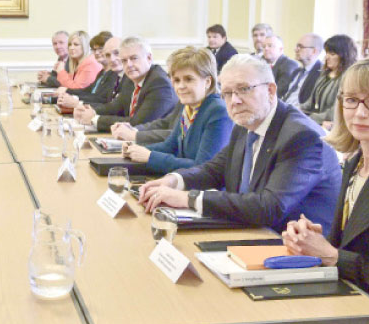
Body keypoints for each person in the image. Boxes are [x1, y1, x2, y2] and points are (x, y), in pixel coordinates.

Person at [138, 54, 341, 233]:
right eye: (227, 93)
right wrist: (174, 180)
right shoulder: (246, 123)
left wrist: (187, 198)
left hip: (290, 247)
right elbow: (214, 170)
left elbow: (269, 207)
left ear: (271, 90)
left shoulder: (301, 137)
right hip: (250, 230)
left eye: (244, 89)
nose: (234, 100)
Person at [283, 57, 369, 324]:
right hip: (347, 310)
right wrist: (316, 242)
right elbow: (356, 244)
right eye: (351, 100)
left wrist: (334, 256)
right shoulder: (355, 162)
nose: (359, 112)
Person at [121, 47, 233, 174]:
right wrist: (136, 149)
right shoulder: (189, 106)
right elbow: (170, 146)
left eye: (189, 79)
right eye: (176, 80)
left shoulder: (218, 111)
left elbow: (203, 166)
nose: (180, 86)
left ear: (207, 81)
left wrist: (150, 156)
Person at [74, 36, 177, 131]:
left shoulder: (159, 83)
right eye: (124, 60)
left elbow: (137, 123)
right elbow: (116, 106)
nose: (129, 65)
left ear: (149, 58)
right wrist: (90, 110)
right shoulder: (130, 78)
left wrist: (95, 119)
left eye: (134, 58)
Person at [301, 34, 358, 129]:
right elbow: (310, 102)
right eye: (326, 53)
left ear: (344, 56)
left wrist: (310, 118)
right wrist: (296, 110)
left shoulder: (349, 78)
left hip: (334, 126)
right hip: (318, 122)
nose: (327, 57)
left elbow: (335, 111)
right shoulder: (324, 75)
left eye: (332, 54)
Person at [57, 36, 124, 108]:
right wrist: (68, 92)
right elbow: (87, 91)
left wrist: (76, 102)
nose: (97, 52)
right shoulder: (102, 72)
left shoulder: (113, 73)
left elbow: (101, 99)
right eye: (94, 50)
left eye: (100, 49)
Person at [281, 33, 323, 107]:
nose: (295, 49)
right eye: (297, 46)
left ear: (314, 51)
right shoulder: (297, 71)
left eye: (300, 47)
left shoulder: (321, 74)